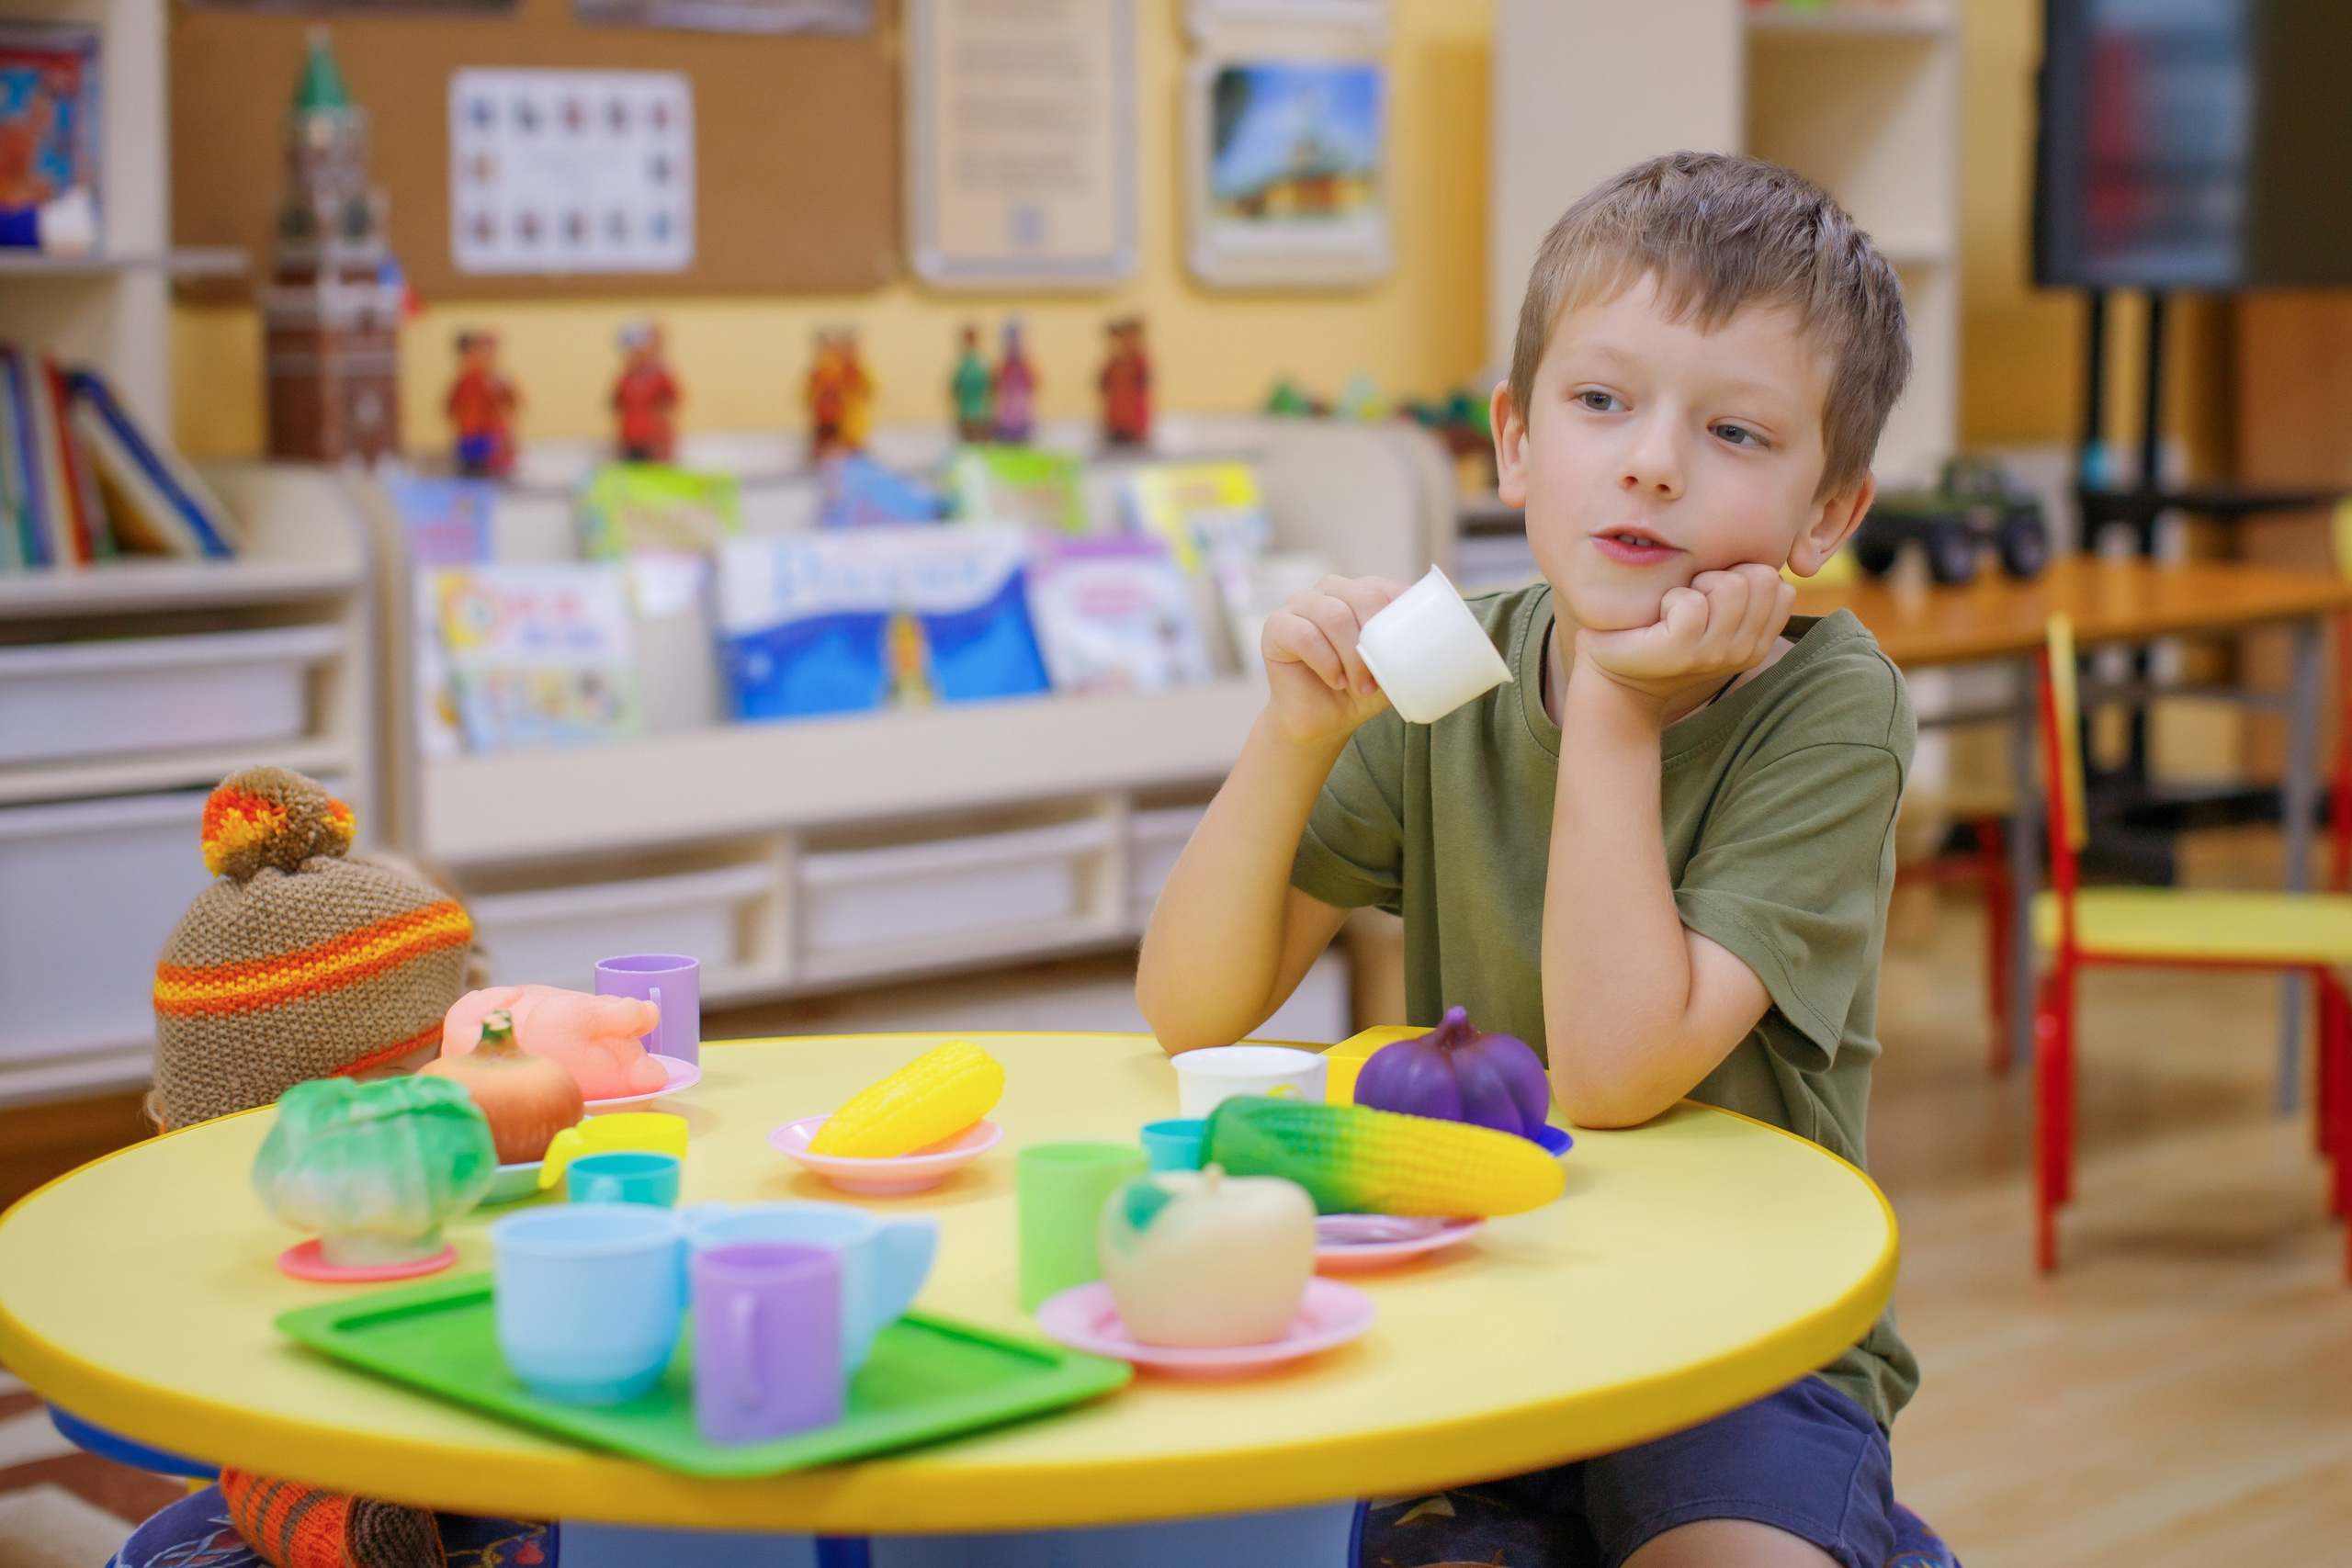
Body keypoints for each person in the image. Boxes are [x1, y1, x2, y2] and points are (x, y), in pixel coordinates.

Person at [1137, 152, 1955, 1568]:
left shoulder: (1834, 704)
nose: (1651, 459)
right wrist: (1293, 734)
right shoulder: (1455, 671)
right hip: (1488, 1314)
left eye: (1737, 434)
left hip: (1740, 1338)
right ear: (1515, 443)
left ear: (1827, 515)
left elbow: (1617, 1068)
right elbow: (1192, 1006)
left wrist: (1622, 716)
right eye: (1600, 402)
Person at [115, 766, 545, 1568]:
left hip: (431, 1367)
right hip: (298, 1407)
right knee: (280, 1437)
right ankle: (342, 1514)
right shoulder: (254, 1198)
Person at [446, 329, 517, 479]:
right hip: (469, 437)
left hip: (489, 437)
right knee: (470, 477)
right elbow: (450, 407)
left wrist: (508, 437)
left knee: (486, 479)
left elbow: (511, 404)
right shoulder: (464, 381)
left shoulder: (495, 379)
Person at [612, 320, 678, 463]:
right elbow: (618, 406)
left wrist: (664, 442)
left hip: (653, 441)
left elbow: (670, 407)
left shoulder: (660, 376)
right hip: (629, 440)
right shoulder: (626, 379)